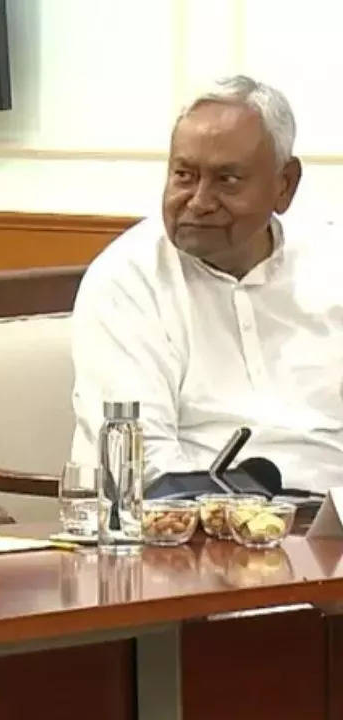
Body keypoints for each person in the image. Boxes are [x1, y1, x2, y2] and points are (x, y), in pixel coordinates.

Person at [70, 75, 343, 492]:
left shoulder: (331, 262)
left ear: (284, 185)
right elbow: (145, 468)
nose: (198, 201)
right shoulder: (127, 280)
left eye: (226, 180)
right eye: (183, 175)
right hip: (198, 533)